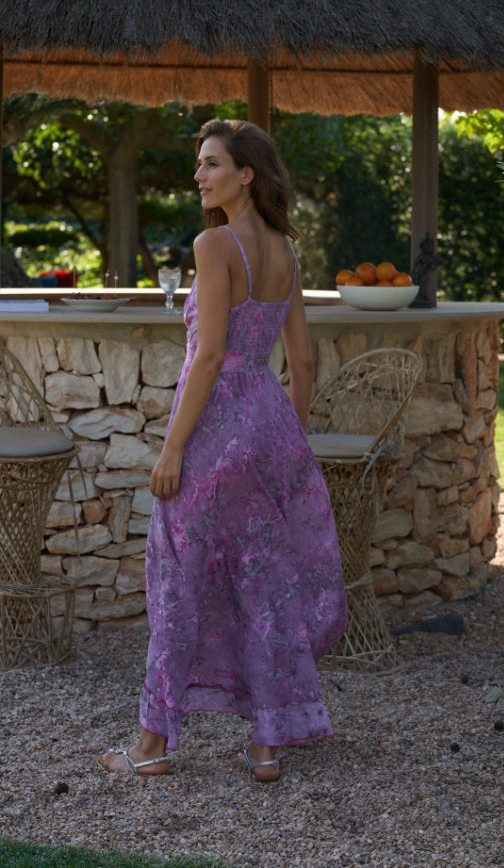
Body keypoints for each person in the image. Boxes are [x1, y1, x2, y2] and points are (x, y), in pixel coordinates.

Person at [99, 119, 347, 783]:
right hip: (270, 428)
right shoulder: (285, 252)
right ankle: (266, 744)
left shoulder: (213, 245)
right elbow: (301, 360)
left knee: (178, 582)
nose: (199, 176)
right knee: (266, 586)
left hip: (213, 432)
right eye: (200, 164)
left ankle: (152, 744)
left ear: (246, 175)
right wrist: (287, 441)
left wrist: (171, 450)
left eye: (212, 164)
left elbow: (208, 355)